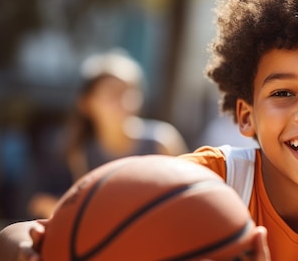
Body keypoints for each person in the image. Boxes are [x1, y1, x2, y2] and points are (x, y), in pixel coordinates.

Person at [0, 0, 298, 259]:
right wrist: (35, 250)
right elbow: (11, 240)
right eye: (283, 92)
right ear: (246, 116)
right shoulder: (205, 182)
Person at [27, 49, 189, 218]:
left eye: (130, 91)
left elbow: (191, 196)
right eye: (113, 92)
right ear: (87, 102)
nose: (124, 100)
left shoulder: (162, 141)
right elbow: (40, 203)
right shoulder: (75, 153)